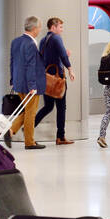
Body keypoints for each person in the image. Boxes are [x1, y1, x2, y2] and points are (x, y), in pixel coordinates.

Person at [35, 16, 76, 146]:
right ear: (53, 27)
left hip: (46, 79)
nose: (62, 30)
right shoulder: (57, 38)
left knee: (48, 106)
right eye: (60, 27)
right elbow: (63, 56)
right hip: (58, 80)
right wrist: (70, 69)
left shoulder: (42, 41)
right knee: (61, 107)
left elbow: (45, 58)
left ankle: (29, 126)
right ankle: (61, 137)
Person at [8, 16, 46, 150]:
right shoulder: (31, 43)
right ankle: (29, 142)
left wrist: (13, 79)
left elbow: (12, 62)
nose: (40, 30)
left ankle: (11, 131)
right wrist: (32, 86)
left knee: (26, 110)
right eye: (39, 27)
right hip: (30, 84)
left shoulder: (16, 42)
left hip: (19, 82)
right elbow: (31, 65)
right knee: (31, 113)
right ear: (34, 28)